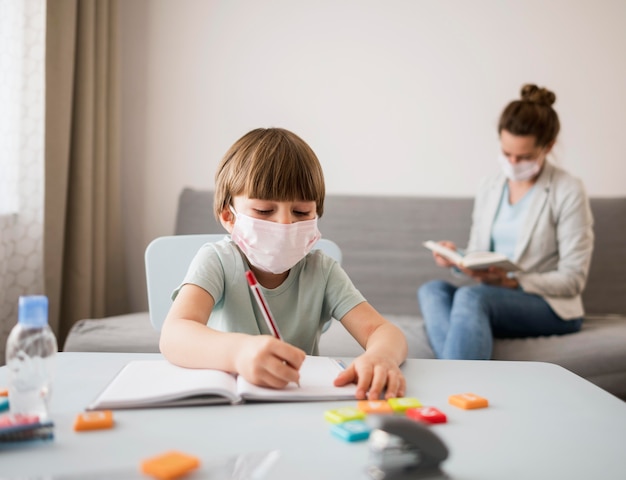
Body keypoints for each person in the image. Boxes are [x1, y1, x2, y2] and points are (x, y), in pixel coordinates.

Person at [160, 127, 407, 400]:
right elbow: (174, 334)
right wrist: (239, 352)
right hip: (228, 403)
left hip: (299, 400)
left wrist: (381, 356)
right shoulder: (217, 260)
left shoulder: (321, 270)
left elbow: (382, 331)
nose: (285, 223)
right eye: (264, 211)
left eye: (301, 212)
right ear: (229, 217)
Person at [417, 84, 594, 360]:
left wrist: (513, 283)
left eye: (523, 157)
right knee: (432, 290)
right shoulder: (490, 186)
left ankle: (459, 383)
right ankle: (461, 372)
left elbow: (573, 280)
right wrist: (458, 258)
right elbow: (480, 253)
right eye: (506, 153)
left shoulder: (568, 190)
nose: (512, 162)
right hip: (493, 296)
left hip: (549, 306)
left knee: (471, 298)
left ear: (548, 147)